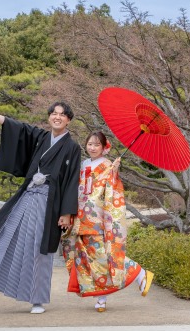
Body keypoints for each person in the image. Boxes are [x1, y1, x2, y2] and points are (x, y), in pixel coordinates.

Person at [0, 99, 81, 314]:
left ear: (68, 120)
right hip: (27, 195)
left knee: (37, 248)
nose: (57, 117)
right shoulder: (41, 137)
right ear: (49, 117)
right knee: (0, 232)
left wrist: (66, 213)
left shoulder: (72, 147)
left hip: (49, 203)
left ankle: (37, 299)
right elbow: (14, 126)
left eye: (62, 114)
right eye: (54, 113)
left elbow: (72, 180)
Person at [62, 131, 153, 312]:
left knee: (101, 256)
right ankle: (101, 297)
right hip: (80, 216)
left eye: (97, 145)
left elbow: (112, 191)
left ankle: (137, 273)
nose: (92, 148)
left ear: (104, 148)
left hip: (97, 218)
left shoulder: (108, 165)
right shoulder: (83, 164)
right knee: (87, 259)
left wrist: (114, 172)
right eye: (90, 144)